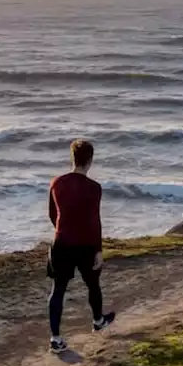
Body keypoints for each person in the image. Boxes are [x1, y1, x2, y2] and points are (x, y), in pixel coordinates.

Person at [46, 139, 115, 353]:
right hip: (86, 244)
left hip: (62, 242)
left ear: (72, 158)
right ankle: (97, 320)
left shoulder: (57, 183)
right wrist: (99, 250)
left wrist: (63, 229)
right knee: (93, 285)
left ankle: (56, 339)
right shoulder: (94, 188)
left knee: (58, 289)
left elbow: (52, 215)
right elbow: (95, 221)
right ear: (91, 160)